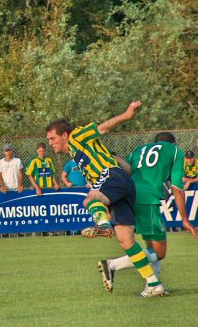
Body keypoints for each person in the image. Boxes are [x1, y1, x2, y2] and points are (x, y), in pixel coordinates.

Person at [46, 101, 166, 297]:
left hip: (112, 177)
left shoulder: (76, 136)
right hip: (122, 184)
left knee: (89, 199)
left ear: (65, 134)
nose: (50, 143)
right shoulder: (78, 155)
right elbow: (120, 166)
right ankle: (153, 283)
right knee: (126, 241)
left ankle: (103, 224)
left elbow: (101, 128)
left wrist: (126, 115)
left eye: (52, 138)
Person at [98, 132, 197, 293]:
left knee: (152, 246)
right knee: (159, 252)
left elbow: (127, 171)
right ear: (173, 143)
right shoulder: (175, 151)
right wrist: (185, 219)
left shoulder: (137, 150)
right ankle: (112, 265)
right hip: (146, 198)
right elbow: (177, 188)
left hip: (126, 195)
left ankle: (153, 285)